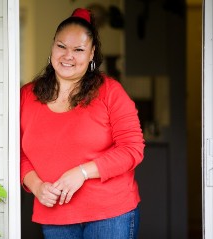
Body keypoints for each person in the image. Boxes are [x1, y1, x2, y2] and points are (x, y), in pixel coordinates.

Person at [20, 8, 145, 239]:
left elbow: (132, 149)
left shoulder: (110, 92)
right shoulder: (27, 96)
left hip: (111, 213)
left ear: (91, 54)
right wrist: (36, 186)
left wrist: (82, 173)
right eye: (61, 46)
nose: (68, 56)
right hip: (55, 214)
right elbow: (17, 152)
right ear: (52, 46)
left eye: (78, 49)